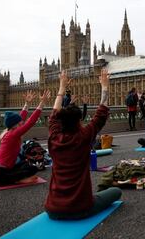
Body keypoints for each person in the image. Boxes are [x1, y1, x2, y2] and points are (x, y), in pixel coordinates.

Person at [45, 69, 121, 220]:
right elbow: (101, 114)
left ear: (61, 122)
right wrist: (105, 87)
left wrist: (61, 87)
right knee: (115, 192)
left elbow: (53, 115)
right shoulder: (83, 137)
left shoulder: (54, 138)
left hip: (53, 209)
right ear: (79, 121)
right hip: (80, 209)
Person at [0, 89, 51, 186]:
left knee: (31, 167)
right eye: (20, 122)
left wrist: (27, 103)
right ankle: (18, 180)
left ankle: (17, 178)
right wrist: (42, 103)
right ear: (15, 124)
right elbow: (30, 122)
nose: (22, 122)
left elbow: (22, 117)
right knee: (28, 170)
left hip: (6, 168)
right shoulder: (12, 134)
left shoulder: (12, 130)